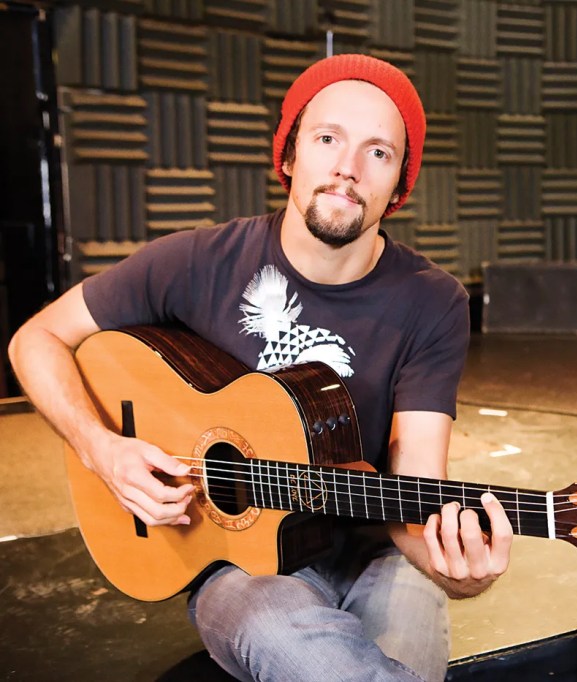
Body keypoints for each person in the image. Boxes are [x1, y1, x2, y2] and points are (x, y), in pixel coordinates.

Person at [8, 53, 512, 681]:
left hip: (375, 552)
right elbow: (37, 338)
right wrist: (101, 448)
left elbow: (413, 501)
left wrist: (459, 573)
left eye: (378, 152)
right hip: (241, 570)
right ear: (290, 155)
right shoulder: (194, 262)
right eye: (328, 138)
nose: (347, 169)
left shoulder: (431, 302)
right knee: (296, 642)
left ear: (400, 183)